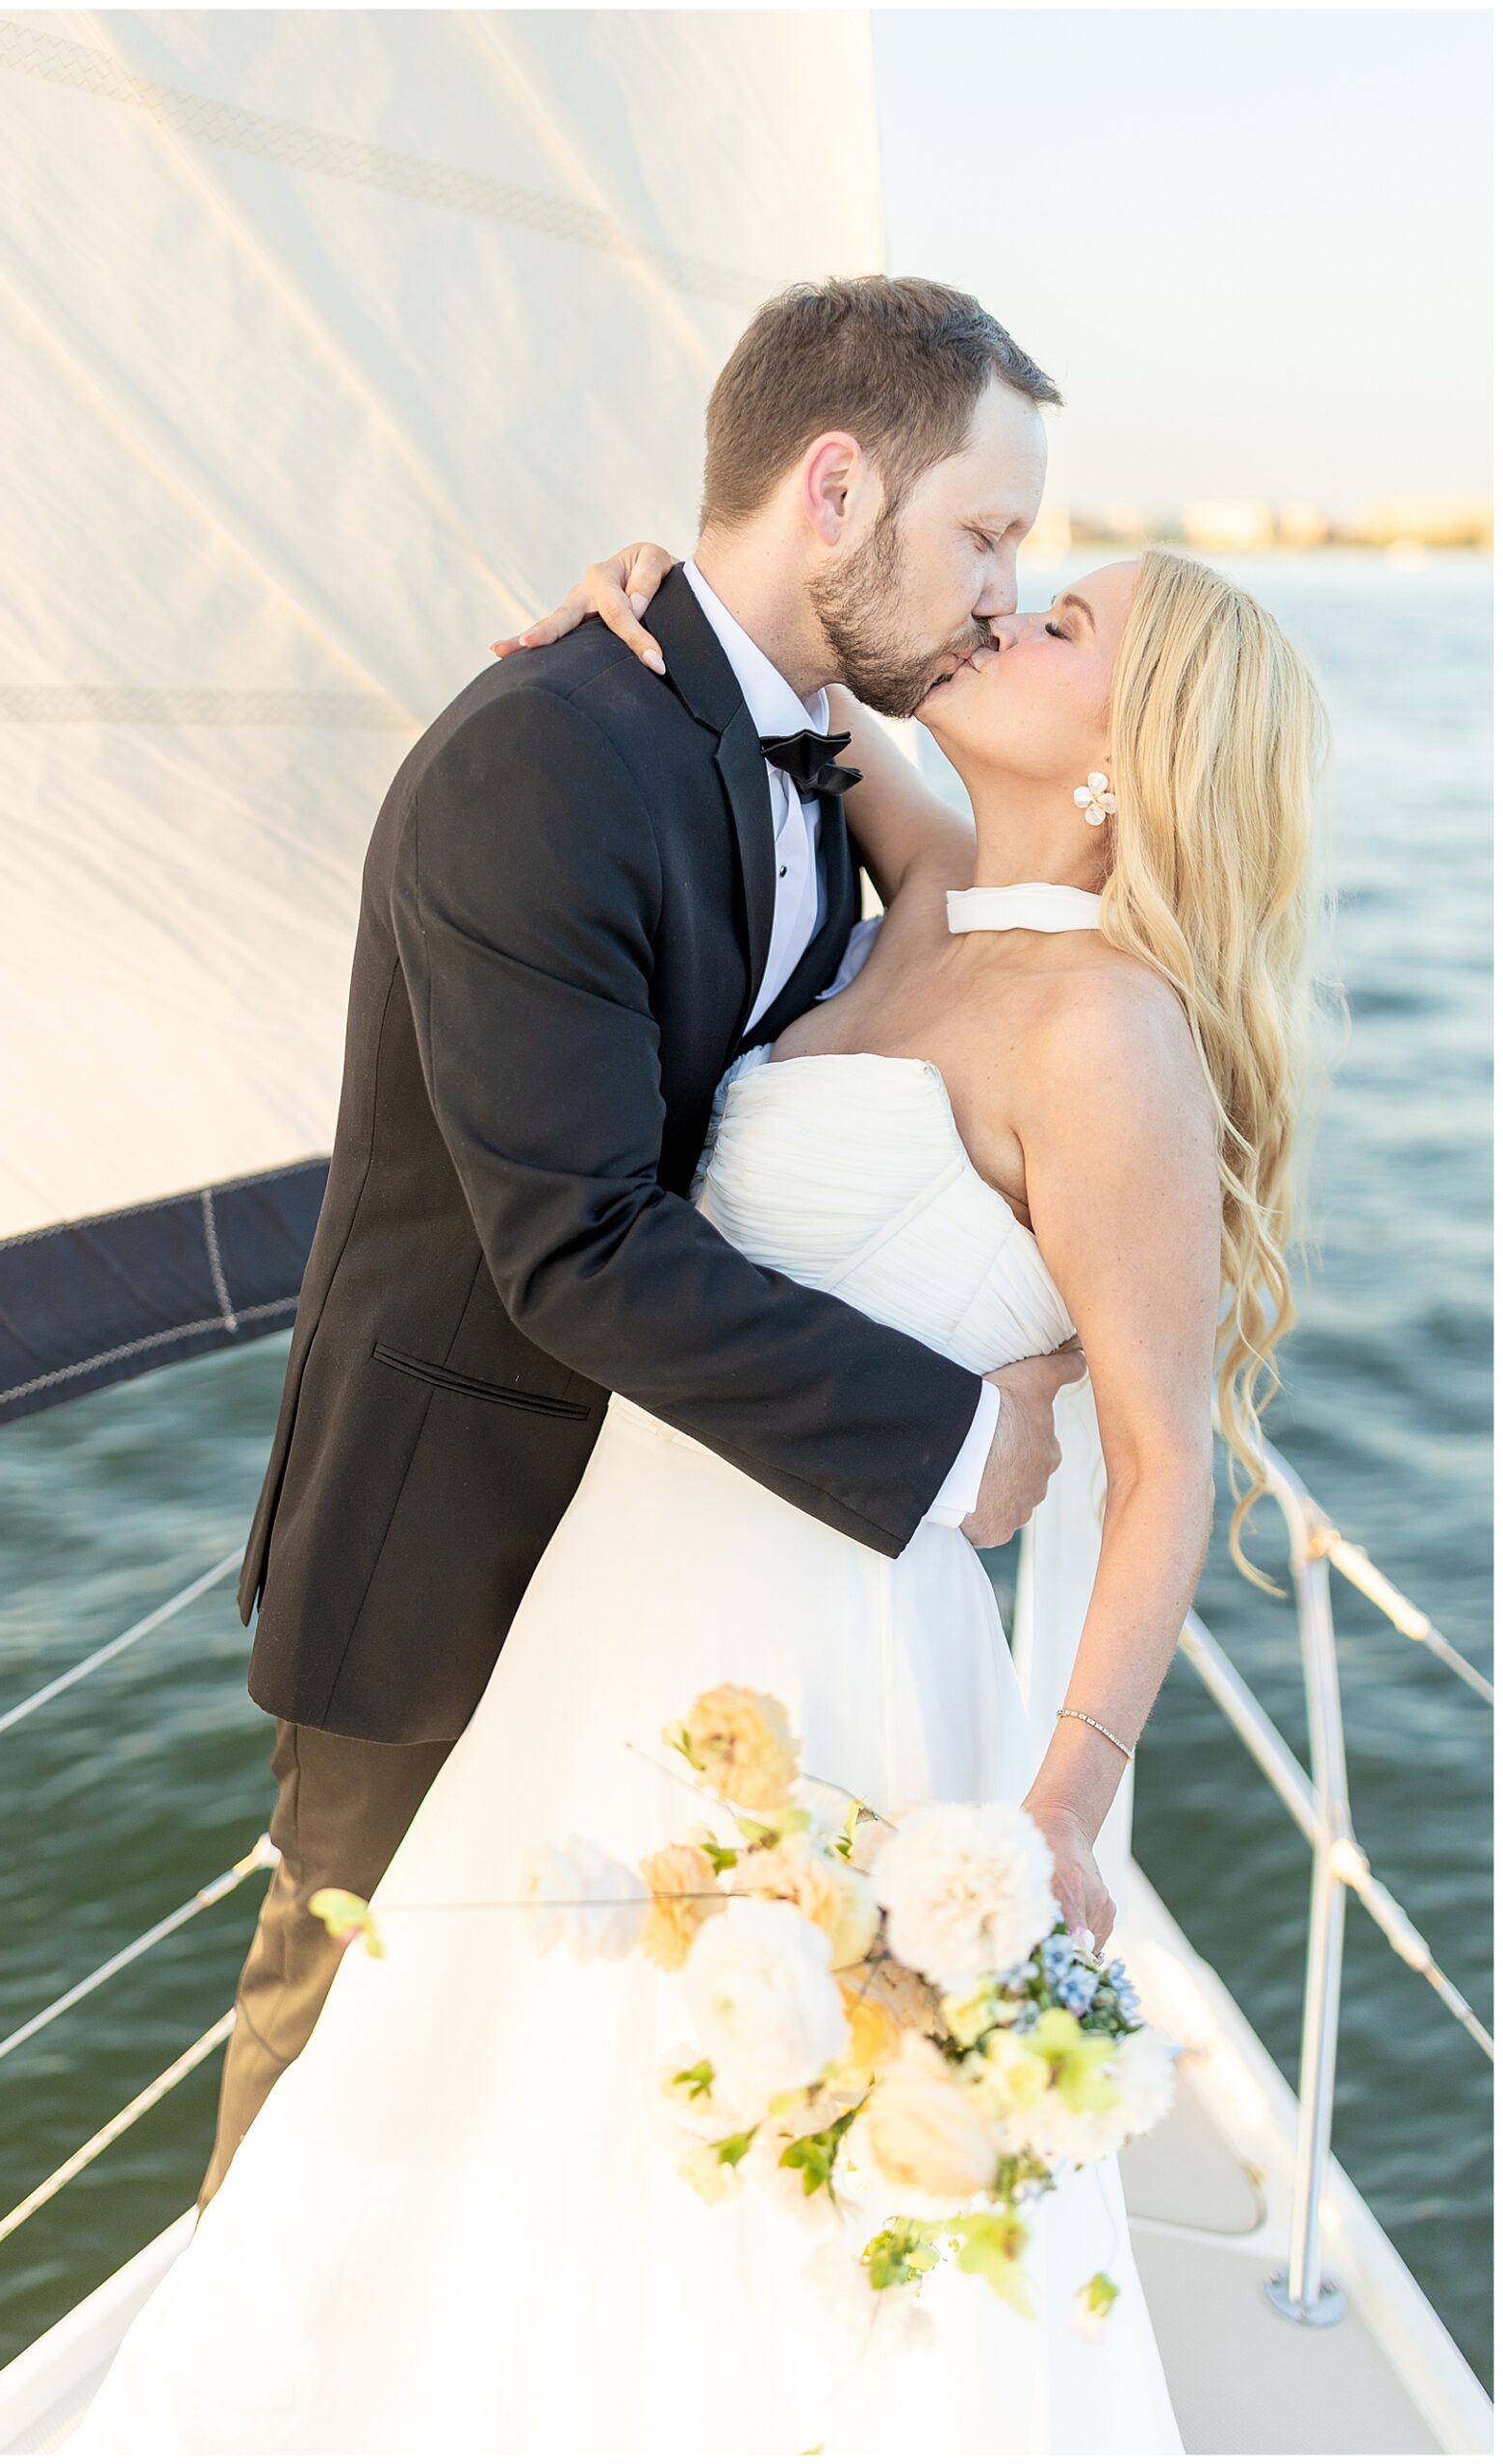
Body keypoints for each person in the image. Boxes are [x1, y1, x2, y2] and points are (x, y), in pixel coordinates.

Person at [69, 515, 1326, 2449]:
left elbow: (1158, 1462)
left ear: (1126, 749)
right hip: (618, 1606)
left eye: (1054, 613)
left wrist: (1060, 1799)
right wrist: (638, 603)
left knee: (753, 2167)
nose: (1004, 602)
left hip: (834, 1646)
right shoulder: (926, 891)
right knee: (519, 2103)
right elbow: (777, 683)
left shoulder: (1105, 1029)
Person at [198, 276, 1078, 2208]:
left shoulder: (804, 741)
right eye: (984, 535)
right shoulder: (544, 753)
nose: (1006, 592)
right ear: (833, 488)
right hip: (456, 1537)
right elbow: (577, 1245)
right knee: (341, 2028)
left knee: (565, 2053)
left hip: (676, 1542)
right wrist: (949, 1437)